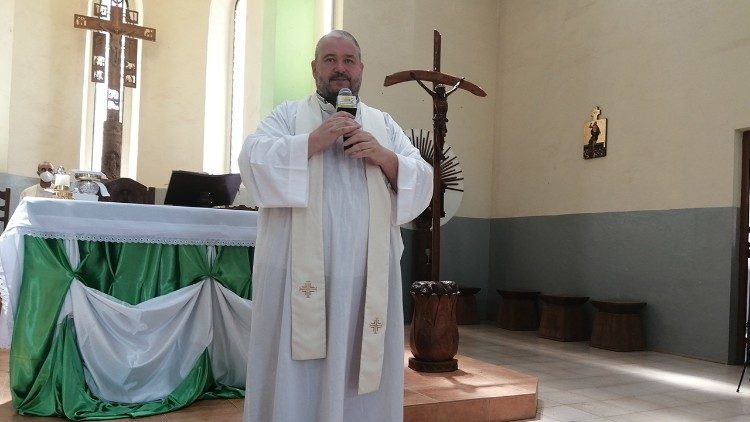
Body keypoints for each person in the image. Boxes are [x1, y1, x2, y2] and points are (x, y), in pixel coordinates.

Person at [238, 30, 433, 421]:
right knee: (298, 371)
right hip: (300, 279)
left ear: (360, 69)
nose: (339, 68)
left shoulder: (384, 124)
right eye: (330, 60)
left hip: (365, 279)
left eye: (348, 60)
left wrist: (385, 156)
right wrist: (310, 141)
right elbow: (252, 159)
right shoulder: (288, 116)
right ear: (315, 69)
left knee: (359, 364)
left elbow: (422, 179)